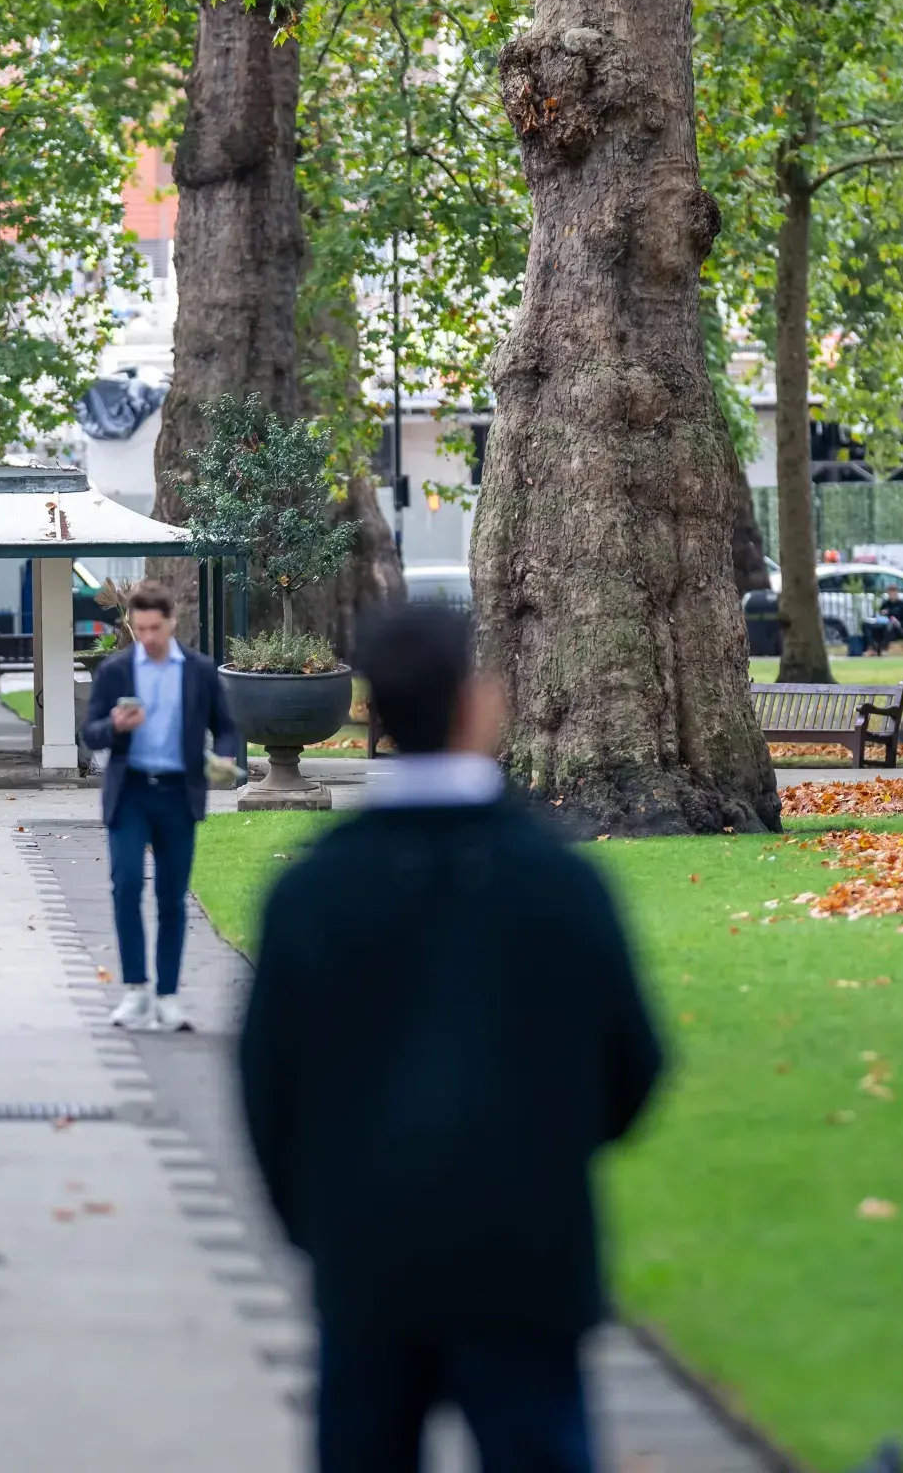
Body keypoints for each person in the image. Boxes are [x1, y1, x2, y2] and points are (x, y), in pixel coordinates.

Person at [238, 603, 665, 1473]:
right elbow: (633, 1068)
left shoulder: (313, 893)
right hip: (524, 1250)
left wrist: (319, 1221)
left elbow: (266, 1091)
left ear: (374, 711)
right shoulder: (560, 883)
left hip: (367, 1252)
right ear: (479, 704)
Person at [79, 580, 239, 1033]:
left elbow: (225, 727)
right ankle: (135, 991)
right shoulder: (116, 671)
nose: (147, 637)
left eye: (156, 628)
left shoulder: (199, 671)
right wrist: (113, 724)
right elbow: (88, 734)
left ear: (171, 622)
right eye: (140, 627)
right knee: (126, 885)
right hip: (130, 792)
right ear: (131, 623)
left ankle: (167, 996)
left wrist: (224, 756)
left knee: (171, 896)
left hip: (177, 793)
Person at [862, 587, 903, 657]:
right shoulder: (885, 604)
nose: (892, 594)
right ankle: (872, 648)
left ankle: (884, 648)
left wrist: (899, 622)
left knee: (890, 624)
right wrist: (881, 614)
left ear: (897, 593)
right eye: (890, 593)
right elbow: (878, 616)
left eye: (893, 592)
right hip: (883, 625)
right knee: (866, 624)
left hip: (897, 628)